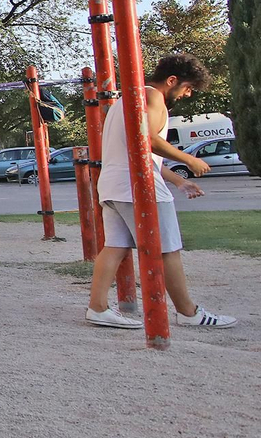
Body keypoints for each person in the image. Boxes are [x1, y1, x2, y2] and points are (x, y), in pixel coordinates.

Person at [85, 53, 236, 329]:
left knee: (115, 247)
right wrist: (189, 159)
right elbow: (147, 140)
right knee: (168, 249)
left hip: (113, 184)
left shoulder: (123, 101)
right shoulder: (152, 97)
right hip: (139, 187)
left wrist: (178, 180)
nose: (187, 95)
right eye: (188, 88)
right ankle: (189, 313)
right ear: (172, 80)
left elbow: (138, 152)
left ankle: (97, 307)